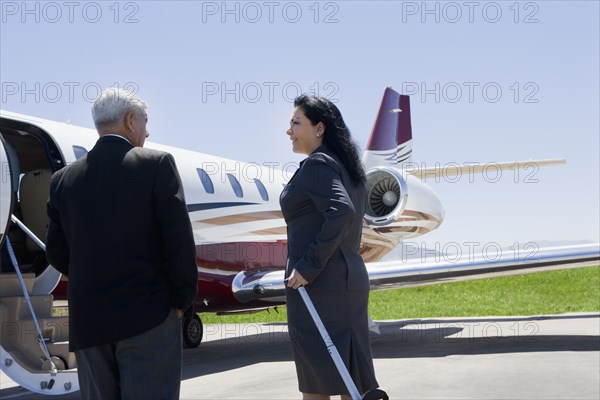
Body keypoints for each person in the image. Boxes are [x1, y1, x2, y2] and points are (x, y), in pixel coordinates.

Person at [46, 87, 198, 399]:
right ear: (130, 120)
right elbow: (178, 243)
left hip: (89, 323)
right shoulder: (156, 165)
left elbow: (57, 252)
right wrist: (182, 300)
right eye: (144, 120)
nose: (147, 129)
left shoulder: (62, 179)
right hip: (149, 317)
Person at [281, 95, 380, 399]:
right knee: (350, 379)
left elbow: (341, 211)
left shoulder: (318, 165)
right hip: (347, 282)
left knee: (318, 382)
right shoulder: (349, 169)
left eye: (296, 123)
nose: (289, 130)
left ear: (319, 128)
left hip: (319, 286)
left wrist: (308, 266)